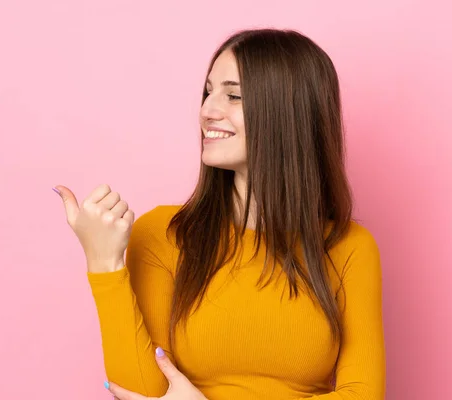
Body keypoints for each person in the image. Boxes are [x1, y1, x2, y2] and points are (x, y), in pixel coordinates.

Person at [53, 28, 386, 400]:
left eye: (233, 96)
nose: (207, 111)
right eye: (208, 92)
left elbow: (362, 395)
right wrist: (104, 264)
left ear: (287, 112)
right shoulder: (163, 233)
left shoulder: (349, 248)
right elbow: (142, 392)